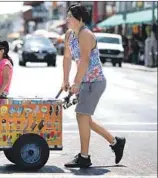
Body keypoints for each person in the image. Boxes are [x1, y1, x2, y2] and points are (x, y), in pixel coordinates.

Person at [62, 4, 126, 168]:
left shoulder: (86, 34)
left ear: (80, 19)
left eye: (70, 16)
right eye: (67, 16)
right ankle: (115, 142)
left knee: (81, 115)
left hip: (95, 82)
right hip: (85, 81)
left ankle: (84, 157)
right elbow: (67, 58)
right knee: (85, 118)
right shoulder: (69, 35)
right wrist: (65, 80)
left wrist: (76, 82)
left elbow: (85, 60)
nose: (67, 19)